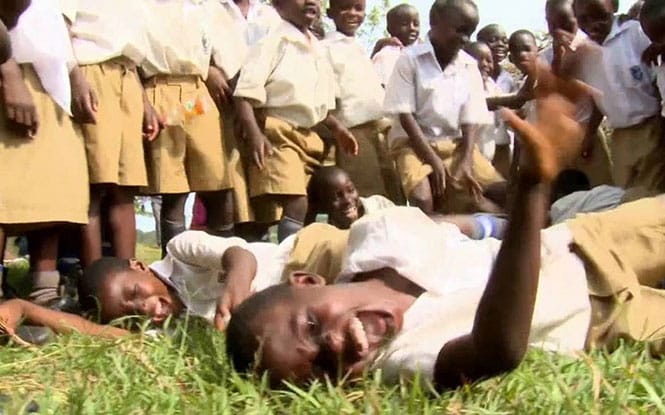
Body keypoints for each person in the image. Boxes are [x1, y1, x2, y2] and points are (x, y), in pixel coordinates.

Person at [225, 60, 665, 391]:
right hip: (599, 320)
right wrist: (532, 188)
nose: (336, 346)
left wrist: (496, 222)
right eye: (324, 370)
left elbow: (447, 228)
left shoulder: (377, 235)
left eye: (311, 327)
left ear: (307, 281)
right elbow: (496, 350)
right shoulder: (400, 359)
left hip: (582, 243)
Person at [233, 0, 358, 243]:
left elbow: (316, 103)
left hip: (310, 136)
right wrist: (255, 134)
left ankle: (303, 253)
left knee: (308, 203)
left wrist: (337, 127)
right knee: (296, 202)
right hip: (278, 133)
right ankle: (288, 257)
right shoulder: (273, 41)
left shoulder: (318, 48)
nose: (311, 1)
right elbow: (244, 94)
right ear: (278, 4)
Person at [0, 0, 89, 312]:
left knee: (49, 190)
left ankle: (44, 290)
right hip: (13, 68)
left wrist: (75, 75)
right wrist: (8, 72)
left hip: (51, 78)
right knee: (5, 189)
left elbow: (53, 22)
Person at [141, 0, 247, 255]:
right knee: (173, 189)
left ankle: (221, 260)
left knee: (217, 181)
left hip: (198, 97)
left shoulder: (208, 7)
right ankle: (174, 265)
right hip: (159, 89)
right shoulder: (142, 6)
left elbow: (232, 56)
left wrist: (212, 69)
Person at [384, 0, 505, 215]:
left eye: (470, 32)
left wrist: (466, 160)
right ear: (434, 22)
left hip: (457, 146)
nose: (465, 38)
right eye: (460, 30)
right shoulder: (409, 60)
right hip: (413, 145)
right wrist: (432, 159)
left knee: (501, 192)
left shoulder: (468, 65)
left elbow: (471, 118)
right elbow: (405, 115)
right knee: (423, 199)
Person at [65, 1, 160, 268]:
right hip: (92, 73)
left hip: (127, 76)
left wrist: (144, 103)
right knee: (94, 185)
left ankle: (126, 273)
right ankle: (95, 278)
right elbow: (61, 29)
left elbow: (131, 51)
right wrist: (75, 77)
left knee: (125, 188)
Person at [573, 0, 665, 191]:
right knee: (624, 191)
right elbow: (597, 98)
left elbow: (658, 78)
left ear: (613, 6)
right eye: (584, 19)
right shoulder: (584, 53)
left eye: (599, 15)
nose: (593, 24)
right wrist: (589, 135)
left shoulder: (635, 33)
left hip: (651, 129)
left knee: (650, 191)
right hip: (620, 137)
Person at [323, 0, 402, 202]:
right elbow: (328, 95)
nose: (352, 13)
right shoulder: (326, 48)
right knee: (367, 192)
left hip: (379, 130)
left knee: (391, 191)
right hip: (353, 131)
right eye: (345, 7)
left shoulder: (356, 45)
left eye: (358, 8)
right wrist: (338, 128)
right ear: (330, 13)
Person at [541, 0, 614, 187]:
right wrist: (557, 58)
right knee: (563, 193)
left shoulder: (591, 50)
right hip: (558, 139)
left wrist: (589, 135)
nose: (559, 30)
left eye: (566, 24)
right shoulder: (545, 57)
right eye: (552, 24)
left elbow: (599, 99)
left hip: (588, 134)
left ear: (578, 20)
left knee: (601, 189)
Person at [464, 41, 512, 177]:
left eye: (489, 61)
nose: (485, 64)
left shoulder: (491, 85)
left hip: (487, 159)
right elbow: (484, 103)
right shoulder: (462, 86)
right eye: (478, 59)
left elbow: (505, 106)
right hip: (467, 159)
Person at [306, 166, 395, 229]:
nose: (348, 200)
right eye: (337, 196)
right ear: (324, 205)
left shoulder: (380, 206)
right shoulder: (325, 233)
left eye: (351, 190)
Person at [371, 4, 420, 86]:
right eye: (404, 24)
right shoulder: (386, 56)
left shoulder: (421, 52)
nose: (412, 28)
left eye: (416, 24)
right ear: (390, 29)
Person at [476, 23, 515, 93]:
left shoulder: (509, 79)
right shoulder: (471, 73)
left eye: (505, 41)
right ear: (479, 44)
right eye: (492, 40)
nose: (500, 44)